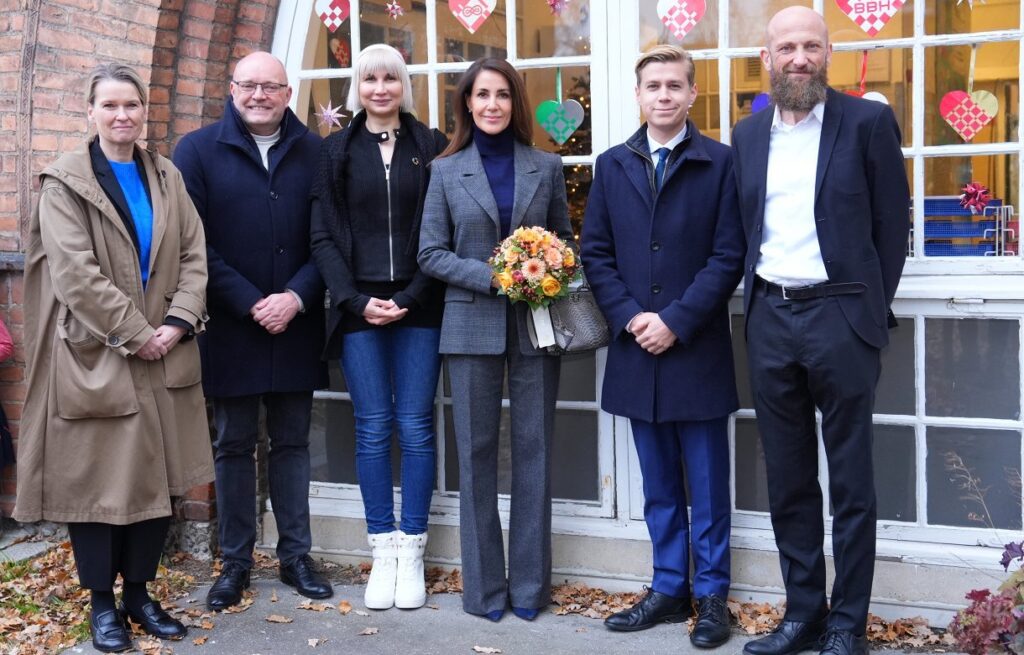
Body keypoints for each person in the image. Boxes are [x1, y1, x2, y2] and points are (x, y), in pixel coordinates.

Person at [14, 63, 212, 653]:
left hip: (165, 350)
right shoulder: (64, 183)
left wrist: (177, 323)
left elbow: (195, 254)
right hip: (96, 354)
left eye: (132, 105)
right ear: (91, 111)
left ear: (142, 110)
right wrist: (137, 332)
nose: (122, 115)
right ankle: (103, 606)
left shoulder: (166, 174)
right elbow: (77, 276)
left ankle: (140, 596)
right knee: (99, 488)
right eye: (110, 106)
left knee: (157, 477)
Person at [731, 8, 910, 655]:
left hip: (840, 317)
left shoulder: (867, 123)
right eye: (787, 47)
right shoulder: (748, 136)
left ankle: (846, 624)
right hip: (772, 318)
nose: (799, 57)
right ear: (767, 58)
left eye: (810, 45)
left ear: (828, 51)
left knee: (852, 480)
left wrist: (865, 311)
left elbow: (894, 227)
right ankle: (803, 613)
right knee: (789, 478)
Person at [581, 45, 743, 647]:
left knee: (706, 482)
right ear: (639, 94)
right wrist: (630, 318)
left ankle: (712, 597)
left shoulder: (720, 164)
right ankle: (669, 588)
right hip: (636, 350)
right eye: (654, 85)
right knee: (658, 486)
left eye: (675, 85)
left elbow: (730, 255)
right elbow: (595, 253)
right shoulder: (611, 164)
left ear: (692, 94)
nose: (665, 95)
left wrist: (675, 319)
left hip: (694, 346)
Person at [173, 51, 331, 610]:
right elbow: (190, 242)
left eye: (272, 86)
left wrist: (295, 296)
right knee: (233, 444)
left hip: (297, 320)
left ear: (289, 93)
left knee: (292, 442)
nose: (260, 95)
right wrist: (250, 301)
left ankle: (295, 557)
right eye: (249, 85)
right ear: (231, 88)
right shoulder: (196, 150)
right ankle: (235, 562)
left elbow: (329, 240)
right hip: (231, 324)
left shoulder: (317, 152)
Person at [418, 58, 573, 623]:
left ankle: (530, 589)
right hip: (470, 323)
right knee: (476, 456)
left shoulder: (547, 166)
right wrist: (497, 275)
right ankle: (483, 592)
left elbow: (565, 243)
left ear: (516, 103)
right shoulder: (444, 171)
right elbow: (430, 253)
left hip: (536, 325)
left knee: (534, 455)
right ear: (466, 103)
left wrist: (547, 268)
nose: (491, 105)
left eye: (502, 95)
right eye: (481, 95)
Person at [309, 43, 448, 611]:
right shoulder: (335, 149)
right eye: (370, 79)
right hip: (357, 308)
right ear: (357, 87)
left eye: (391, 77)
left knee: (414, 426)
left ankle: (412, 549)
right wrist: (353, 299)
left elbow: (446, 227)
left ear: (403, 84)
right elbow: (321, 234)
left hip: (421, 304)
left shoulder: (432, 144)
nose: (381, 88)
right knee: (372, 428)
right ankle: (382, 550)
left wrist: (413, 296)